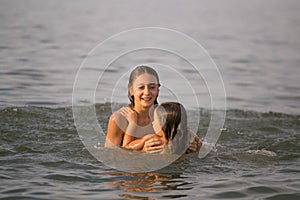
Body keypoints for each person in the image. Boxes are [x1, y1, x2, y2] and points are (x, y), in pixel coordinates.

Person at [104, 65, 201, 153]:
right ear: (131, 90)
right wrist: (142, 151)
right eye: (141, 87)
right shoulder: (119, 120)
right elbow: (110, 155)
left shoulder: (164, 115)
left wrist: (193, 146)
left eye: (152, 87)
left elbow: (183, 132)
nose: (147, 92)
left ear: (158, 89)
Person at [122, 102, 202, 154]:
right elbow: (202, 146)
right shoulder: (188, 135)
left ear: (163, 125)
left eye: (155, 120)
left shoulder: (152, 139)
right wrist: (197, 148)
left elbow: (126, 147)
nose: (152, 122)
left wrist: (133, 123)